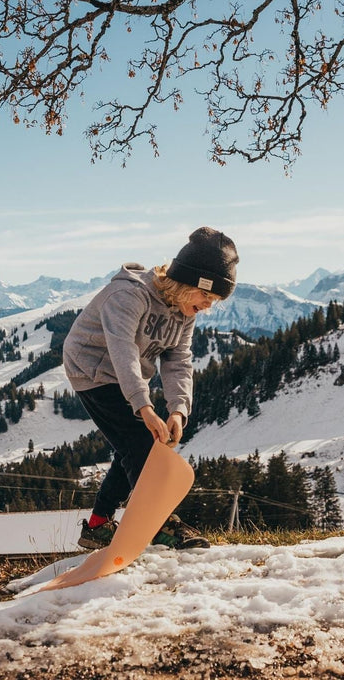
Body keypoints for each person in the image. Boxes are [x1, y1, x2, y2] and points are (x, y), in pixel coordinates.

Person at [62, 226, 239, 550]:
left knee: (131, 446)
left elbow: (178, 359)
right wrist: (143, 407)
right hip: (91, 367)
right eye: (207, 296)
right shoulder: (129, 295)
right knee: (139, 441)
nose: (208, 306)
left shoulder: (185, 310)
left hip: (126, 374)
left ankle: (98, 526)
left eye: (214, 301)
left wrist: (177, 410)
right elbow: (122, 349)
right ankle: (162, 525)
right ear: (189, 282)